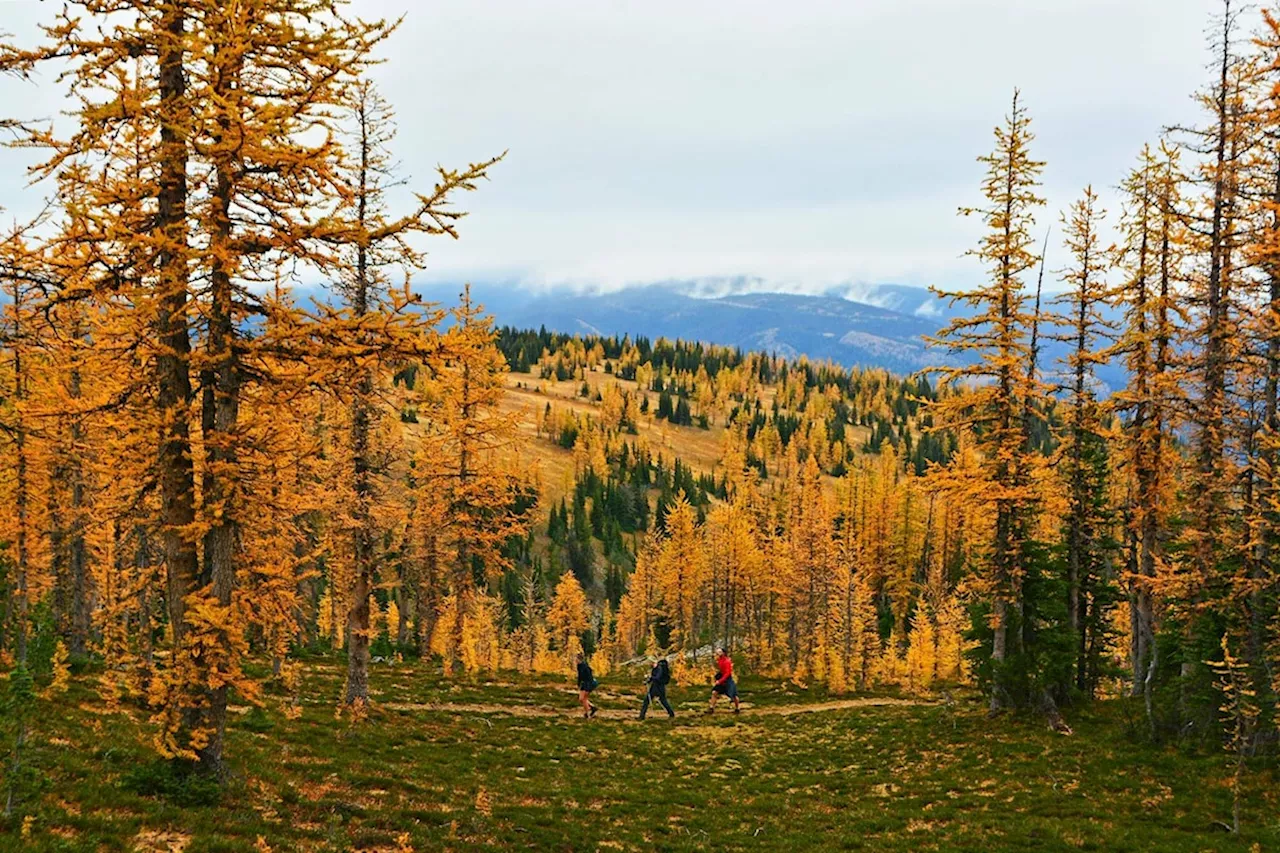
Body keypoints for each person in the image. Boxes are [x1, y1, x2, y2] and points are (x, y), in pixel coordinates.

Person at [639, 655, 675, 720]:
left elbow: (657, 678)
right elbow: (654, 678)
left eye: (651, 663)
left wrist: (649, 677)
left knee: (647, 700)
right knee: (663, 700)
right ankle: (671, 713)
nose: (651, 664)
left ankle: (642, 716)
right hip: (659, 687)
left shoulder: (659, 668)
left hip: (657, 687)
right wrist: (647, 681)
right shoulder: (657, 668)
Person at [707, 647, 740, 714]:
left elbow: (727, 673)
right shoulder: (719, 660)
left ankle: (737, 708)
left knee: (734, 695)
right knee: (714, 692)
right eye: (717, 652)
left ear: (723, 653)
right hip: (722, 678)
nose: (717, 653)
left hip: (727, 680)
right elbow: (722, 670)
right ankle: (711, 708)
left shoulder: (727, 661)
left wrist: (720, 681)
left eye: (719, 652)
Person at [576, 653, 599, 719]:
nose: (575, 660)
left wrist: (587, 686)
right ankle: (593, 707)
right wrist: (578, 683)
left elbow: (589, 677)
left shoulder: (585, 666)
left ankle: (588, 714)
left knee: (583, 699)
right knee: (581, 699)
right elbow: (580, 676)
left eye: (576, 659)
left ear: (579, 659)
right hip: (584, 683)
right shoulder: (579, 666)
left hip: (589, 683)